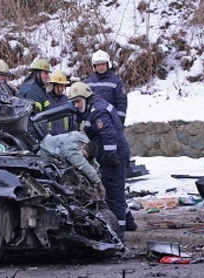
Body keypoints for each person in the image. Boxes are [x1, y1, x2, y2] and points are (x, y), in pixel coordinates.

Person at [68, 81, 131, 242]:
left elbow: (109, 135)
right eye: (74, 102)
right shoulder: (94, 108)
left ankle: (119, 238)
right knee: (114, 194)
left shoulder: (97, 112)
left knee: (114, 196)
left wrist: (110, 158)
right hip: (113, 155)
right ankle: (124, 227)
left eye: (78, 101)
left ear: (86, 98)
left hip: (114, 157)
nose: (76, 105)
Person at [37, 131, 105, 199]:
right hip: (43, 155)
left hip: (51, 147)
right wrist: (99, 183)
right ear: (84, 145)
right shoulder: (71, 150)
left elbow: (92, 160)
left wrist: (98, 172)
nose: (83, 157)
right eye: (83, 155)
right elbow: (84, 165)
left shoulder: (83, 139)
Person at [84, 50, 128, 125]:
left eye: (103, 64)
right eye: (98, 65)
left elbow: (122, 104)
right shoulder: (88, 82)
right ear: (94, 66)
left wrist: (119, 122)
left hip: (110, 121)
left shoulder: (116, 82)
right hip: (92, 122)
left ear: (108, 64)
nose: (100, 67)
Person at [47, 70, 76, 135]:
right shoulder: (46, 100)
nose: (63, 88)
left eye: (64, 85)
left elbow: (73, 121)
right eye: (60, 86)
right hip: (49, 139)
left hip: (65, 138)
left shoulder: (67, 100)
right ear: (53, 85)